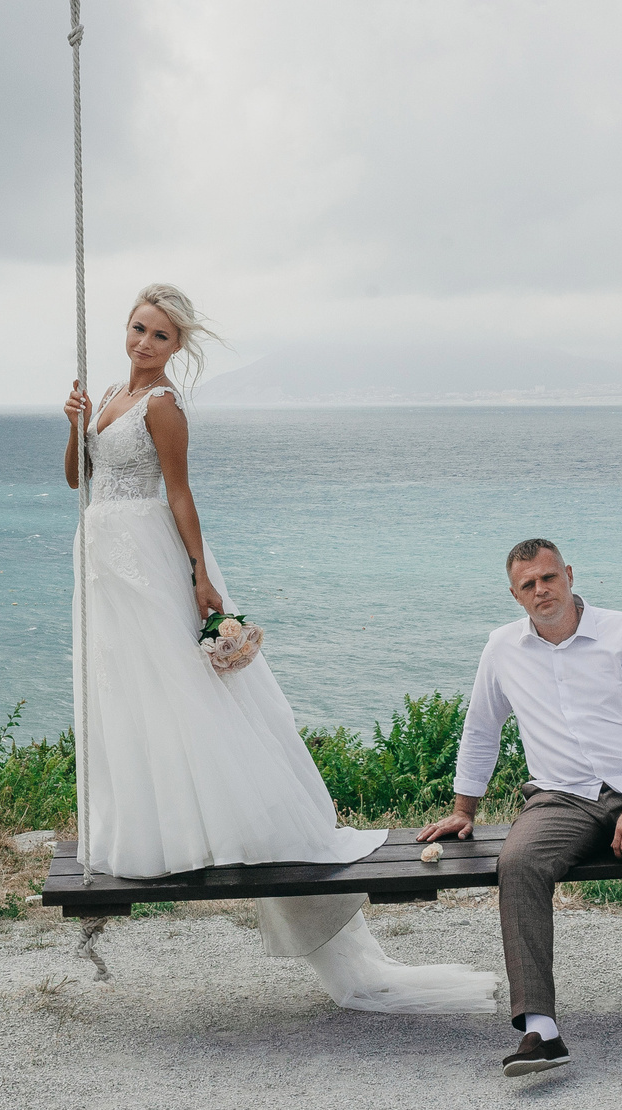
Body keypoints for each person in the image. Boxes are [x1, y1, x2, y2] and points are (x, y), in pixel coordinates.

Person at [61, 284, 494, 1014]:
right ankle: (146, 827)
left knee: (183, 691)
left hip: (148, 560)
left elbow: (180, 494)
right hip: (101, 563)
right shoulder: (105, 393)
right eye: (138, 328)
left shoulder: (163, 406)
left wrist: (200, 576)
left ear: (176, 347)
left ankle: (224, 827)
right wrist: (73, 426)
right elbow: (80, 479)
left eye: (160, 336)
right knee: (131, 695)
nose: (143, 343)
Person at [417, 539, 622, 1076]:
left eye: (548, 577)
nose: (541, 590)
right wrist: (463, 807)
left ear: (568, 574)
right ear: (515, 594)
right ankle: (540, 1032)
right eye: (528, 585)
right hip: (559, 796)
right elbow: (480, 730)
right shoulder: (501, 648)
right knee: (518, 864)